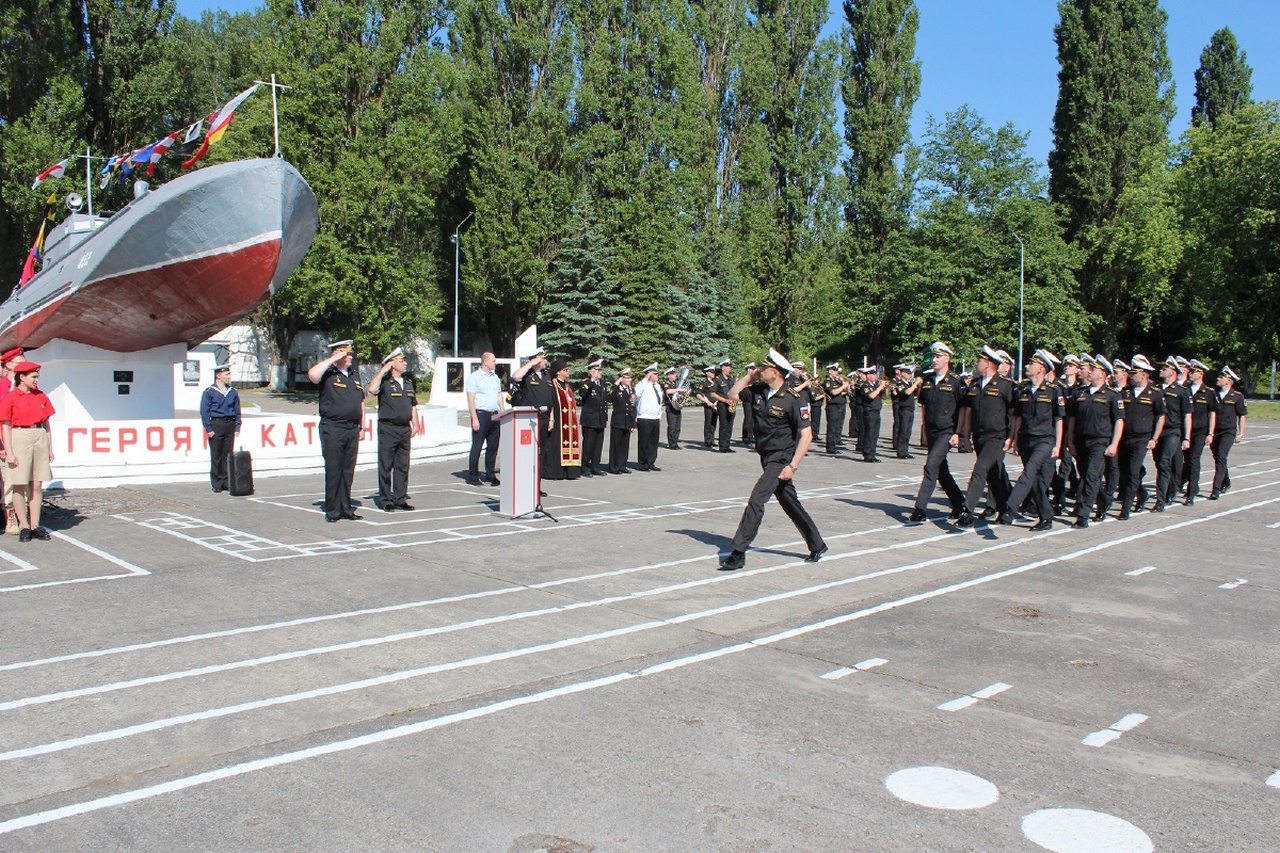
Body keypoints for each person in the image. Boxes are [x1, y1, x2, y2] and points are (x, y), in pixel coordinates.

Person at [718, 348, 826, 571]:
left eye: (764, 367)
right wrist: (749, 376)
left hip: (782, 457)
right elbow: (732, 394)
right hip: (766, 455)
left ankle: (738, 552)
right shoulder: (758, 391)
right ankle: (817, 544)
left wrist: (792, 466)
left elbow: (806, 435)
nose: (760, 370)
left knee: (757, 500)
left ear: (775, 372)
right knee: (789, 501)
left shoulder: (794, 399)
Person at [955, 346, 1017, 528]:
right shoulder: (974, 385)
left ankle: (968, 511)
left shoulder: (1005, 385)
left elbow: (1013, 414)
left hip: (996, 436)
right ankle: (1005, 508)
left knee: (980, 469)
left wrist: (1011, 437)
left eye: (979, 361)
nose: (976, 363)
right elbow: (967, 411)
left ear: (988, 364)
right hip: (979, 435)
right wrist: (965, 435)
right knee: (993, 474)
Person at [308, 340, 367, 523]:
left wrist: (362, 426)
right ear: (337, 355)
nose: (350, 357)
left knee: (348, 470)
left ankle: (345, 507)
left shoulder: (354, 375)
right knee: (334, 469)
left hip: (351, 428)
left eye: (350, 354)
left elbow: (361, 403)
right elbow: (312, 375)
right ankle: (333, 509)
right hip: (333, 427)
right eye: (346, 354)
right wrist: (332, 359)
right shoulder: (328, 373)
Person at [908, 342, 968, 522]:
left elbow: (963, 409)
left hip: (947, 431)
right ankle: (959, 503)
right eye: (933, 356)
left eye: (938, 357)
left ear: (947, 358)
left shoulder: (957, 381)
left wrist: (958, 433)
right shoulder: (927, 380)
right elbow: (924, 407)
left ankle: (920, 508)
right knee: (942, 471)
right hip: (932, 431)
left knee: (931, 466)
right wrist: (924, 431)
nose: (934, 360)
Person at [1004, 349, 1063, 531]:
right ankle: (1046, 517)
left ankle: (1010, 507)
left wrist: (1058, 445)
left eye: (1031, 364)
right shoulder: (1023, 390)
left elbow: (1059, 419)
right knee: (1035, 481)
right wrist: (1012, 439)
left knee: (1029, 471)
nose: (1027, 366)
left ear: (1041, 369)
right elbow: (1017, 418)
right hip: (1025, 439)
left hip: (1044, 440)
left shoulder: (1053, 390)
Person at [1066, 355, 1125, 528]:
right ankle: (1104, 501)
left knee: (1092, 476)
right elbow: (1073, 419)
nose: (1089, 372)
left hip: (1100, 441)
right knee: (1086, 475)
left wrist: (1114, 443)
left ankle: (1083, 515)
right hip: (1080, 440)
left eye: (1093, 370)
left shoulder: (1112, 395)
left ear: (1103, 374)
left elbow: (1119, 421)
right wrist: (1070, 440)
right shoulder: (1081, 393)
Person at [0, 361, 56, 541]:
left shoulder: (40, 396)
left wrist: (50, 447)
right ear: (21, 377)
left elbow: (46, 423)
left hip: (38, 435)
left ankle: (35, 525)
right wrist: (8, 451)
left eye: (37, 376)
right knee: (19, 483)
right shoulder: (11, 397)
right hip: (20, 435)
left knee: (37, 483)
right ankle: (23, 524)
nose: (36, 380)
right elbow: (5, 426)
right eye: (33, 376)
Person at [368, 347, 419, 508]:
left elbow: (413, 405)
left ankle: (400, 498)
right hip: (388, 428)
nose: (405, 363)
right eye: (401, 361)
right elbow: (371, 389)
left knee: (402, 465)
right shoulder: (384, 383)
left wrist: (415, 424)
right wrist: (383, 369)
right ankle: (385, 499)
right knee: (386, 465)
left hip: (404, 428)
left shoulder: (409, 383)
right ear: (392, 364)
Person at [1116, 355, 1164, 520]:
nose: (1131, 375)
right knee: (1123, 471)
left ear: (1144, 374)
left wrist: (1154, 438)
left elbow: (1160, 416)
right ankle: (1141, 493)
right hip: (1124, 438)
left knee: (1133, 472)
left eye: (1134, 373)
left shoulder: (1154, 394)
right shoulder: (1125, 393)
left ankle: (1126, 508)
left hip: (1141, 438)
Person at [511, 347, 557, 489]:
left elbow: (551, 399)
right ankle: (526, 485)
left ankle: (537, 486)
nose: (545, 361)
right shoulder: (527, 374)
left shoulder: (547, 375)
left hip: (544, 418)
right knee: (528, 453)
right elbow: (515, 377)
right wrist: (531, 363)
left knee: (541, 452)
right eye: (543, 359)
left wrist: (551, 418)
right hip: (529, 419)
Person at [1154, 357, 1191, 512]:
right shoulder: (1155, 389)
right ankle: (1170, 488)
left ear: (1173, 372)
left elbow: (1187, 415)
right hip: (1157, 432)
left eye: (1164, 368)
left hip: (1172, 431)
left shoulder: (1181, 392)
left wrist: (1186, 437)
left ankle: (1161, 499)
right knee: (1159, 463)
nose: (1161, 370)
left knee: (1164, 462)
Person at [199, 361, 242, 493]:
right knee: (216, 455)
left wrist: (237, 426)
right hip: (216, 424)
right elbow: (204, 411)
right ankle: (216, 482)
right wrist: (209, 428)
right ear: (218, 376)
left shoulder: (232, 392)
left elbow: (237, 410)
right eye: (226, 374)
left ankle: (225, 481)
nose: (229, 376)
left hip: (229, 423)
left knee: (227, 454)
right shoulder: (210, 392)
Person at [464, 351, 504, 487]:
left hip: (494, 414)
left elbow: (499, 395)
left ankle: (490, 474)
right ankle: (473, 475)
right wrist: (474, 418)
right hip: (481, 414)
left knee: (493, 446)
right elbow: (471, 399)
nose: (495, 363)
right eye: (493, 360)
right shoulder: (474, 377)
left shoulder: (495, 378)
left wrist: (502, 411)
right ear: (485, 362)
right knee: (477, 446)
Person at [1182, 359, 1218, 505]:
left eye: (1193, 371)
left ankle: (1191, 492)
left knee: (1194, 459)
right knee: (1185, 460)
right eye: (1189, 371)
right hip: (1185, 430)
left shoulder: (1208, 392)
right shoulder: (1185, 389)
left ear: (1200, 374)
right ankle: (1184, 484)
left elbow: (1212, 413)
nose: (1189, 374)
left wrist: (1210, 433)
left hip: (1200, 430)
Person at [1210, 366, 1248, 499]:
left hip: (1228, 431)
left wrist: (1241, 433)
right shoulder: (1213, 394)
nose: (1218, 379)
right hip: (1214, 431)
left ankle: (1216, 488)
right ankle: (1226, 481)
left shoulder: (1237, 396)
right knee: (1218, 457)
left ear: (1229, 380)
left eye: (1221, 377)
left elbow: (1242, 415)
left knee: (1221, 456)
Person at [544, 359, 582, 480]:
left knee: (570, 443)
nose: (568, 372)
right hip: (558, 420)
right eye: (565, 370)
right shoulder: (552, 385)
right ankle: (555, 472)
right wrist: (551, 418)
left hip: (570, 422)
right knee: (555, 445)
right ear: (558, 372)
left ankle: (570, 472)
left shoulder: (567, 385)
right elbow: (550, 403)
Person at [0, 346, 24, 533]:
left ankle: (24, 516)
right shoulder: (1, 388)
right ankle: (10, 517)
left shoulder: (27, 389)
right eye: (20, 364)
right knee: (8, 481)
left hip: (23, 440)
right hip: (4, 440)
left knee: (24, 479)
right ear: (8, 364)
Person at [578, 359, 610, 476]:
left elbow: (604, 401)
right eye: (598, 371)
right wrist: (591, 380)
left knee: (598, 444)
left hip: (600, 418)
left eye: (600, 370)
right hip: (590, 419)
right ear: (592, 372)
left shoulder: (602, 384)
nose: (600, 373)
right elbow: (582, 394)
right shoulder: (586, 383)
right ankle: (585, 467)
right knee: (589, 444)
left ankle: (595, 466)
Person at [634, 363, 664, 471]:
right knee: (644, 442)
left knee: (653, 442)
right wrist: (645, 379)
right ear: (649, 374)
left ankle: (651, 462)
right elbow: (636, 393)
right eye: (655, 374)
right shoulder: (642, 385)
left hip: (655, 418)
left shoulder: (657, 386)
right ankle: (643, 463)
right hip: (644, 417)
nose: (657, 376)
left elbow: (659, 402)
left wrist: (659, 415)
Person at [857, 367, 887, 462]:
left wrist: (884, 388)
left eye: (875, 374)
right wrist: (880, 387)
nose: (875, 376)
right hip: (869, 412)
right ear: (868, 375)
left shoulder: (874, 385)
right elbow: (871, 395)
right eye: (873, 374)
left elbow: (885, 396)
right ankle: (867, 454)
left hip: (876, 412)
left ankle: (872, 453)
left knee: (875, 434)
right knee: (869, 433)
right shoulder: (864, 386)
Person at [890, 363, 920, 459]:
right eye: (907, 373)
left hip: (910, 409)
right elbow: (906, 392)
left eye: (910, 373)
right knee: (902, 431)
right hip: (904, 410)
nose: (909, 375)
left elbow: (915, 394)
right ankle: (901, 452)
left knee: (908, 432)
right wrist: (915, 383)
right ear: (902, 373)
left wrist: (917, 385)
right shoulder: (900, 384)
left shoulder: (909, 384)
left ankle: (905, 451)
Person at [608, 368, 636, 473]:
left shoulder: (631, 390)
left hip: (628, 421)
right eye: (627, 378)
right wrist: (616, 384)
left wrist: (634, 423)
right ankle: (613, 466)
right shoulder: (616, 389)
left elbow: (633, 407)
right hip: (618, 420)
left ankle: (622, 465)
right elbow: (609, 398)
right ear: (621, 378)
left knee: (625, 445)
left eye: (630, 378)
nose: (630, 380)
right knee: (616, 444)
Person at [822, 363, 850, 454]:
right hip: (832, 407)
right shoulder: (827, 381)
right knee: (832, 427)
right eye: (835, 370)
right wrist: (843, 387)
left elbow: (844, 392)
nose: (837, 372)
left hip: (840, 405)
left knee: (838, 426)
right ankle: (830, 447)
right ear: (830, 371)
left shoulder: (837, 381)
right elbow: (833, 392)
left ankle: (835, 443)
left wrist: (846, 387)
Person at [712, 360, 736, 452]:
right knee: (724, 425)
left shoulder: (731, 379)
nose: (729, 369)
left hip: (731, 404)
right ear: (722, 368)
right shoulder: (717, 379)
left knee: (730, 425)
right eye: (727, 367)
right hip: (722, 405)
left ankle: (727, 445)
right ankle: (722, 446)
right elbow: (713, 394)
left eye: (729, 367)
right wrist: (725, 400)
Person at [663, 367, 684, 449]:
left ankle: (675, 442)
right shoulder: (666, 383)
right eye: (673, 374)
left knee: (677, 427)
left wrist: (684, 397)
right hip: (670, 406)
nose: (675, 375)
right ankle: (671, 443)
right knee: (672, 426)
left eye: (675, 374)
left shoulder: (675, 384)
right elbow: (668, 391)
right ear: (669, 375)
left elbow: (678, 394)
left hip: (677, 406)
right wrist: (679, 389)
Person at [697, 366, 718, 448]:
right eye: (711, 372)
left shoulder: (715, 382)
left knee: (714, 423)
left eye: (714, 372)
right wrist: (707, 402)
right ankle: (707, 440)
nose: (713, 374)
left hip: (716, 404)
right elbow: (699, 395)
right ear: (707, 373)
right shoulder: (704, 383)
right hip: (708, 405)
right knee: (708, 422)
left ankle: (712, 439)